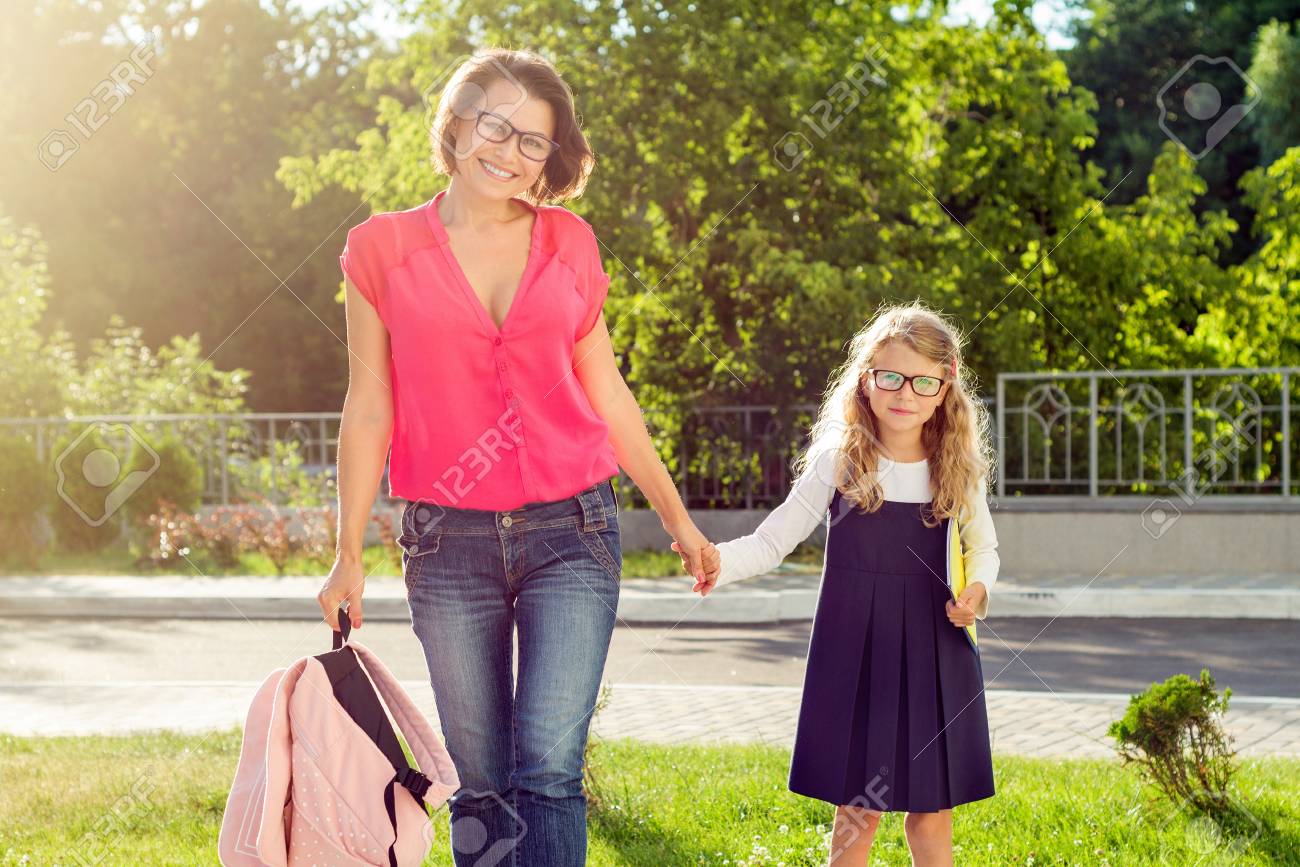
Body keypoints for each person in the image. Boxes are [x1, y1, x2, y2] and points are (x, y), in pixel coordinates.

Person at [318, 47, 713, 867]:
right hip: (445, 542)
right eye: (497, 126)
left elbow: (609, 394)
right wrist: (345, 552)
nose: (511, 152)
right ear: (459, 122)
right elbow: (369, 404)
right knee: (481, 779)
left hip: (573, 530)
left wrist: (679, 521)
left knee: (549, 773)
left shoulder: (568, 241)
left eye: (535, 141)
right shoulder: (380, 249)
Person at [683, 302, 999, 867]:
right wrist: (716, 561)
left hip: (937, 645)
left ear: (944, 388)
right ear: (866, 380)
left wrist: (977, 591)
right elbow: (772, 541)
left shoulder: (957, 466)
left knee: (932, 811)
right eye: (891, 377)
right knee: (859, 812)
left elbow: (984, 548)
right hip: (858, 644)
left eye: (923, 381)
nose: (905, 393)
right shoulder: (838, 461)